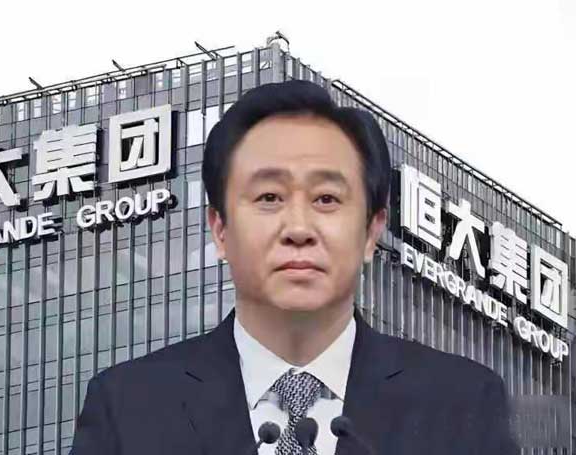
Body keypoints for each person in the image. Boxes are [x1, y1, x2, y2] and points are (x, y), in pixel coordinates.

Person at [70, 80, 517, 455]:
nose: (298, 228)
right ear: (220, 229)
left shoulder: (461, 403)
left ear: (371, 231)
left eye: (327, 199)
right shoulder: (129, 407)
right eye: (269, 198)